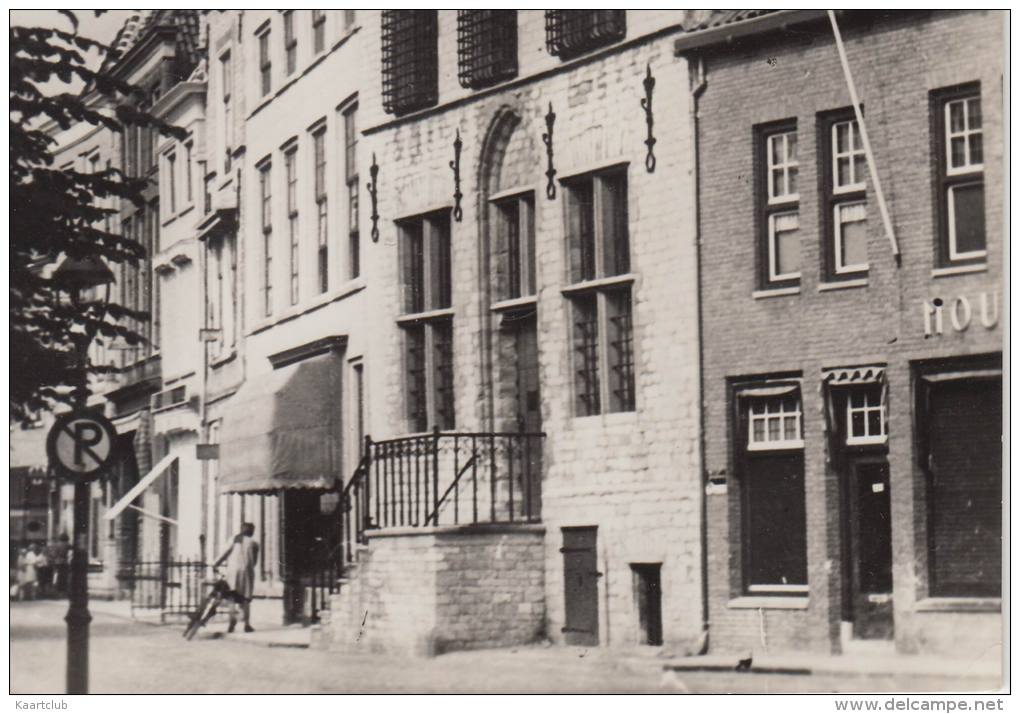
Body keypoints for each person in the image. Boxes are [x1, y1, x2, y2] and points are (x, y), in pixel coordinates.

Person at [214, 522, 259, 633]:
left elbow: (225, 553)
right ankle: (247, 625)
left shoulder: (234, 539)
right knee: (246, 599)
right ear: (252, 531)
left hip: (233, 571)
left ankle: (231, 623)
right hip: (247, 572)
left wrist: (216, 564)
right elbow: (255, 562)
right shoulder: (255, 543)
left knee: (232, 597)